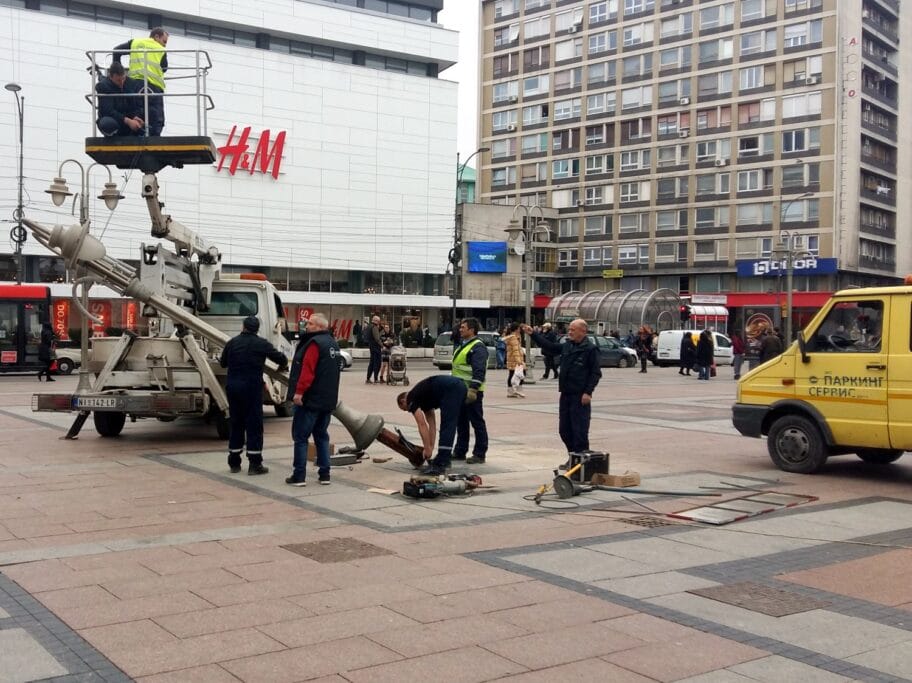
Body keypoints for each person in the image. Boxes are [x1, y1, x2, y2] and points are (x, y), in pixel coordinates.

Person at [219, 316, 288, 474]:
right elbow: (281, 358)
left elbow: (223, 363)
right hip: (252, 388)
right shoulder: (261, 344)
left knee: (236, 423)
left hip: (233, 388)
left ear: (243, 327)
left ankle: (234, 462)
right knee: (254, 425)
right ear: (257, 329)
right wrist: (282, 366)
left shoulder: (232, 343)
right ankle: (254, 464)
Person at [524, 319, 601, 458]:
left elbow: (595, 373)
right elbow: (551, 347)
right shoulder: (567, 345)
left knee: (579, 431)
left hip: (580, 396)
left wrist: (588, 392)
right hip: (565, 394)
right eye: (569, 329)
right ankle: (572, 457)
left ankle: (580, 461)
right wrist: (533, 334)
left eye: (573, 330)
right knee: (564, 430)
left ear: (582, 331)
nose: (569, 332)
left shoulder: (590, 349)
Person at [285, 313, 341, 487]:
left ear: (319, 327)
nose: (306, 326)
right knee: (321, 436)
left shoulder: (314, 343)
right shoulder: (333, 344)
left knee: (301, 437)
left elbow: (307, 370)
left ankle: (299, 476)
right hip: (327, 399)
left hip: (310, 400)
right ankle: (325, 474)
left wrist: (299, 393)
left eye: (310, 323)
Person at [397, 375, 467, 476]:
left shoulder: (411, 398)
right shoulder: (424, 398)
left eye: (404, 408)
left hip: (450, 388)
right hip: (459, 385)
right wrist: (430, 448)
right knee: (452, 423)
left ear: (403, 401)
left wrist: (426, 448)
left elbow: (422, 424)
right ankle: (444, 459)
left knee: (447, 425)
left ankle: (442, 463)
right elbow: (432, 425)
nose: (408, 411)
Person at [113, 27, 169, 136]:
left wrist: (118, 73)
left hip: (134, 85)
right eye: (164, 41)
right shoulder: (160, 49)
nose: (165, 45)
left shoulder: (135, 42)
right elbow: (164, 68)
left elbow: (116, 51)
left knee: (135, 113)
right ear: (156, 37)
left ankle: (134, 135)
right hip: (154, 86)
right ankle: (153, 139)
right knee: (156, 118)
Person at [451, 317, 489, 465]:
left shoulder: (478, 347)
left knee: (477, 422)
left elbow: (479, 371)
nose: (460, 329)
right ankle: (460, 451)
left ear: (472, 330)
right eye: (460, 327)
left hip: (472, 392)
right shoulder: (465, 344)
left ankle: (479, 453)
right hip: (460, 391)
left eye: (463, 327)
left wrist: (473, 389)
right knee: (461, 423)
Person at [95, 62, 144, 137]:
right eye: (118, 80)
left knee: (149, 116)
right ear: (111, 77)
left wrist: (135, 117)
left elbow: (134, 105)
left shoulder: (130, 83)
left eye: (123, 79)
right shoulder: (103, 86)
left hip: (128, 119)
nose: (121, 83)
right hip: (114, 120)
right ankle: (113, 136)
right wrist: (127, 120)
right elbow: (108, 111)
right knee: (107, 123)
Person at [504, 322, 525, 398]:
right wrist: (519, 361)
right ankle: (518, 390)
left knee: (512, 374)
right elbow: (515, 350)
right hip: (515, 359)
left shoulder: (514, 337)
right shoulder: (513, 338)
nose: (520, 330)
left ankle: (511, 391)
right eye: (519, 328)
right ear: (516, 329)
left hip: (512, 359)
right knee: (521, 374)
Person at [365, 315, 382, 384]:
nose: (379, 322)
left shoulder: (369, 326)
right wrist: (382, 345)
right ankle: (376, 378)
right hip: (376, 347)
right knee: (377, 363)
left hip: (371, 346)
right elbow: (377, 339)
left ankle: (368, 378)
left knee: (371, 363)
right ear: (376, 321)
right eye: (379, 321)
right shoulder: (374, 327)